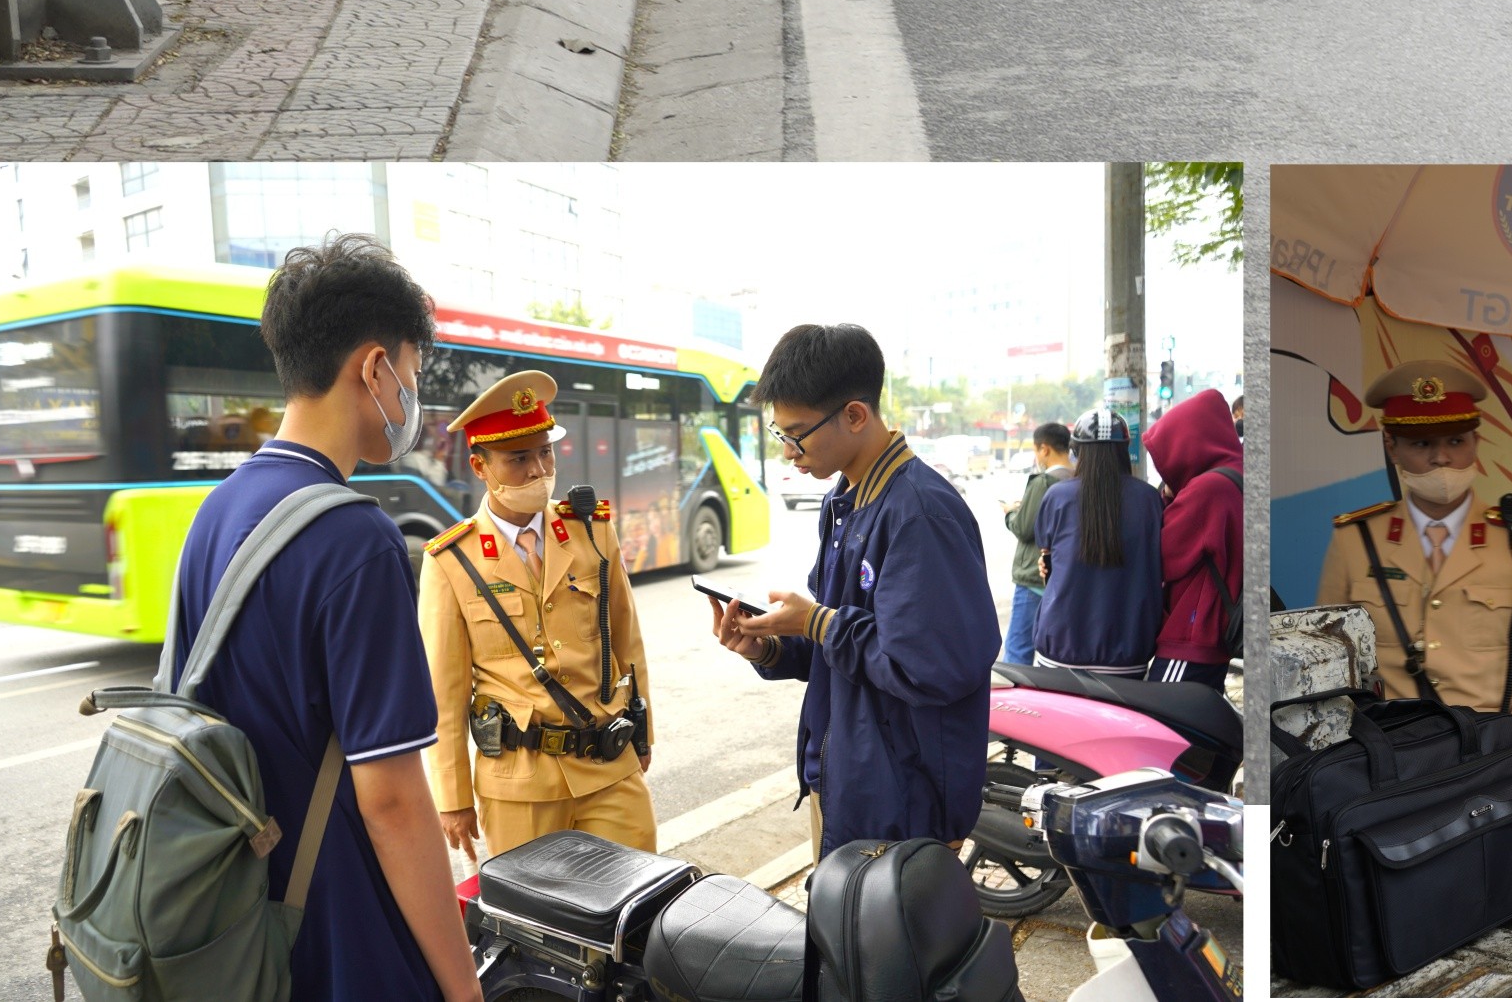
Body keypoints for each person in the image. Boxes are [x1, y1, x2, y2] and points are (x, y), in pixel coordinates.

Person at [168, 236, 482, 1001]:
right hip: (337, 938)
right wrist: (463, 984)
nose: (412, 398)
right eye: (412, 374)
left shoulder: (215, 511)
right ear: (375, 368)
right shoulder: (357, 539)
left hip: (234, 926)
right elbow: (394, 800)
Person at [714, 323, 995, 855]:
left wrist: (816, 622)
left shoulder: (919, 513)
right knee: (839, 934)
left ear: (855, 415)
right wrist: (770, 643)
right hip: (849, 782)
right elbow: (837, 643)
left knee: (887, 938)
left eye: (797, 432)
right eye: (780, 434)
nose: (788, 451)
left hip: (903, 805)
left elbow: (928, 666)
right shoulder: (846, 500)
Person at [1314, 361, 1512, 816]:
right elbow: (1325, 665)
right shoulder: (1356, 540)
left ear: (1476, 444)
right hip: (1389, 761)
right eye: (1422, 443)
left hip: (1491, 756)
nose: (1441, 458)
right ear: (1392, 446)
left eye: (1455, 441)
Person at [421, 369, 658, 864]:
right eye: (518, 459)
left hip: (608, 767)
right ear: (480, 465)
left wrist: (643, 733)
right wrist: (453, 798)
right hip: (519, 787)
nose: (538, 471)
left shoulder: (592, 531)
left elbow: (629, 643)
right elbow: (444, 691)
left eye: (545, 453)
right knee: (539, 935)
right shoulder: (452, 560)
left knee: (634, 921)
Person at [1030, 409, 1167, 676]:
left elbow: (1047, 559)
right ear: (1124, 449)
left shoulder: (1058, 497)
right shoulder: (1149, 500)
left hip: (1060, 647)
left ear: (1076, 451)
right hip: (1128, 653)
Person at [1145, 385, 1251, 688]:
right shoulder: (1239, 473)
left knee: (1163, 725)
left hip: (1191, 636)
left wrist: (1166, 498)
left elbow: (1164, 555)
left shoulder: (1207, 490)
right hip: (1217, 628)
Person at [1001, 420, 1071, 667]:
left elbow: (1024, 528)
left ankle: (1015, 705)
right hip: (1062, 579)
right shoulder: (1078, 480)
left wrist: (1010, 513)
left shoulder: (1042, 482)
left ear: (1044, 449)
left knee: (1017, 651)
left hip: (1033, 578)